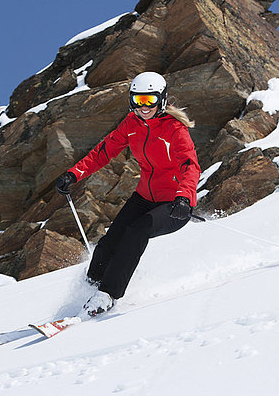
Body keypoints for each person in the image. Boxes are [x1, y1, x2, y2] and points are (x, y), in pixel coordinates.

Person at [55, 71, 201, 317]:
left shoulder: (175, 129)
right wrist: (73, 174)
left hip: (175, 204)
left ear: (162, 100)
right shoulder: (131, 124)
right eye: (138, 100)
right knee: (109, 243)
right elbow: (104, 151)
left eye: (149, 101)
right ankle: (89, 291)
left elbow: (190, 165)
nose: (143, 107)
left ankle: (108, 295)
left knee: (137, 231)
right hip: (144, 197)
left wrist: (184, 198)